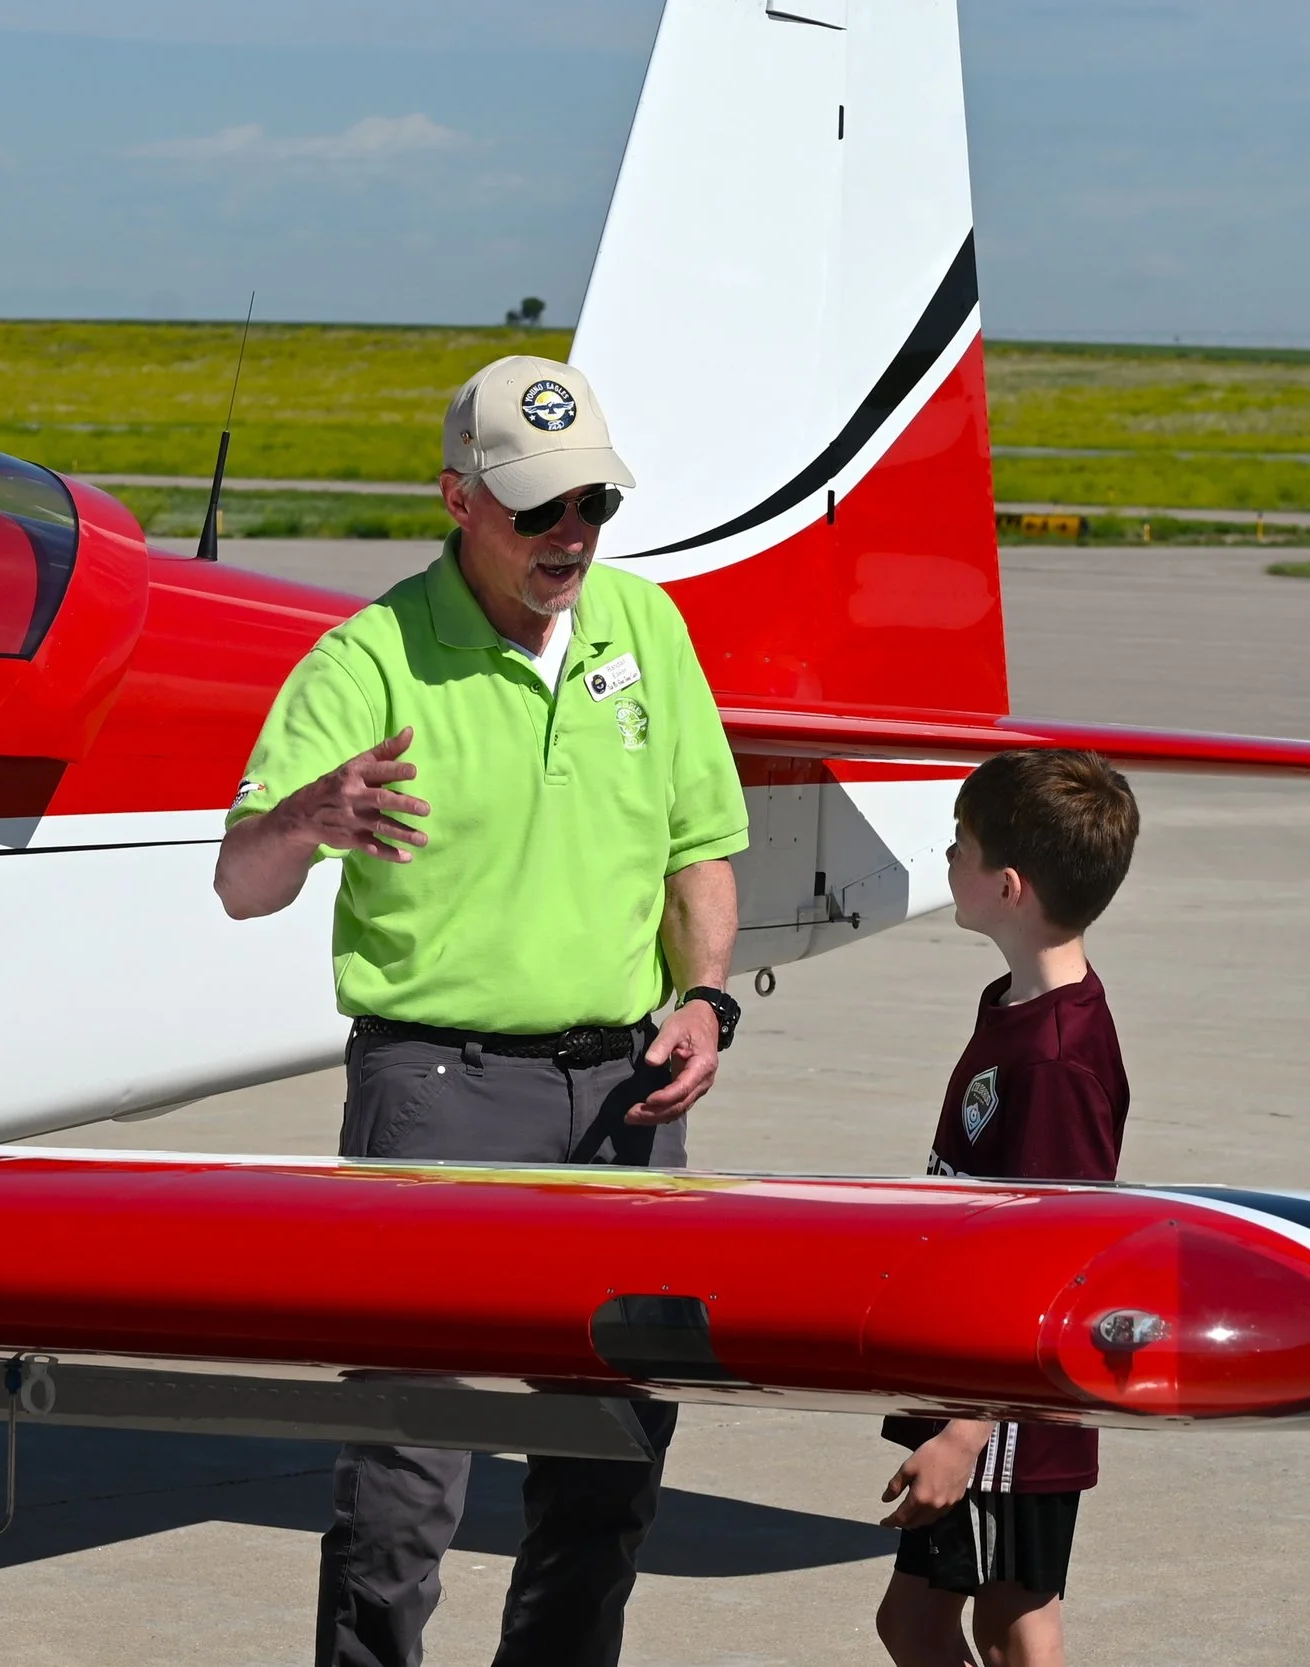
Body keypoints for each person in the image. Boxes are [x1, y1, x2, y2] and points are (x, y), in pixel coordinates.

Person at [213, 354, 750, 1667]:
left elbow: (698, 849)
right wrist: (306, 817)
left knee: (612, 1449)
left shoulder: (646, 628)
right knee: (407, 1469)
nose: (570, 534)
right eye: (536, 508)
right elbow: (241, 883)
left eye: (592, 505)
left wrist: (703, 995)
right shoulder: (368, 659)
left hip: (625, 1095)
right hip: (438, 1092)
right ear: (458, 498)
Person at [874, 749, 1140, 1667]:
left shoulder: (1055, 1058)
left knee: (992, 1630)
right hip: (982, 1383)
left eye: (964, 844)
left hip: (1007, 1413)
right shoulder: (1019, 1006)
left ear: (1009, 885)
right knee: (973, 1625)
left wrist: (966, 1431)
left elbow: (1053, 1258)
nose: (950, 857)